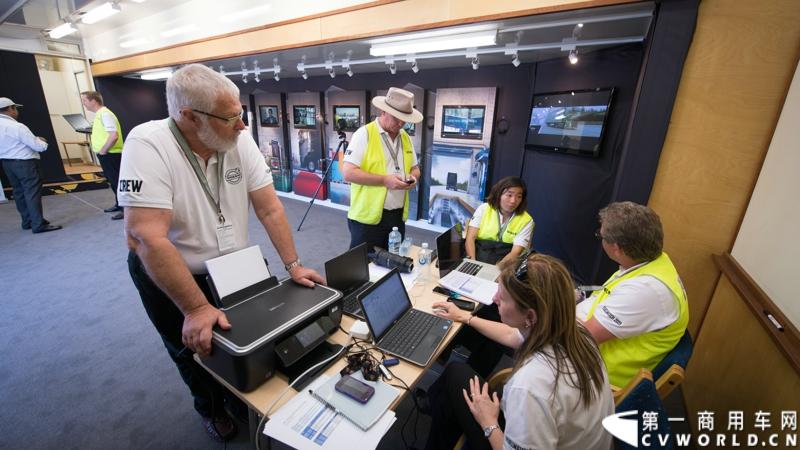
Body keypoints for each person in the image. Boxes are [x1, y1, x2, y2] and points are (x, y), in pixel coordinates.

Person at [117, 64, 325, 443]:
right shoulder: (147, 144)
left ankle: (236, 396)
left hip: (234, 265)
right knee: (192, 348)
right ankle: (210, 407)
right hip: (174, 270)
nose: (242, 125)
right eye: (230, 118)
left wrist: (293, 265)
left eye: (240, 114)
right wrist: (196, 308)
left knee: (251, 337)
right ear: (189, 117)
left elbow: (269, 208)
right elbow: (145, 237)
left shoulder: (237, 140)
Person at [426, 253, 613, 450]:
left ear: (530, 317)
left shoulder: (529, 387)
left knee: (452, 384)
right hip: (578, 437)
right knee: (455, 376)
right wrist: (466, 318)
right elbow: (511, 335)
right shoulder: (575, 330)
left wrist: (488, 422)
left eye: (503, 296)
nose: (494, 298)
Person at [577, 201, 689, 388]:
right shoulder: (649, 261)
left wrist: (548, 314)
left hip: (594, 375)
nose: (600, 239)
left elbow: (581, 337)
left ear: (617, 248)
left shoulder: (646, 290)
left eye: (601, 236)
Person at [342, 87, 422, 250]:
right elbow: (348, 173)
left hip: (397, 217)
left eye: (404, 119)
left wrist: (413, 178)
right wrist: (385, 180)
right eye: (396, 118)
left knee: (394, 261)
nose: (401, 123)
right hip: (367, 219)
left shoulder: (405, 137)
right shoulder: (364, 134)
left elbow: (415, 168)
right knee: (364, 263)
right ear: (383, 111)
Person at [0, 97, 61, 233]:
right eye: (15, 108)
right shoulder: (17, 127)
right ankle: (38, 224)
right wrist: (41, 140)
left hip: (7, 164)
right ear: (10, 109)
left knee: (19, 193)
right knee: (32, 193)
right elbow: (39, 147)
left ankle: (28, 221)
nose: (17, 112)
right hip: (24, 164)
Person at [465, 176, 534, 266]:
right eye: (509, 195)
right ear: (498, 194)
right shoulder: (484, 208)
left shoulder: (527, 220)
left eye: (519, 197)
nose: (513, 201)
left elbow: (515, 252)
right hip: (478, 257)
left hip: (507, 264)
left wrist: (495, 270)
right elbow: (470, 238)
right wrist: (473, 263)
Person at [81, 90, 124, 220]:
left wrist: (103, 151)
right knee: (113, 181)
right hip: (107, 154)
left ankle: (125, 208)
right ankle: (119, 204)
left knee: (116, 181)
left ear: (94, 101)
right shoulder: (100, 115)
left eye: (84, 100)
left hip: (111, 154)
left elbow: (114, 136)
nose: (83, 104)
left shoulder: (105, 114)